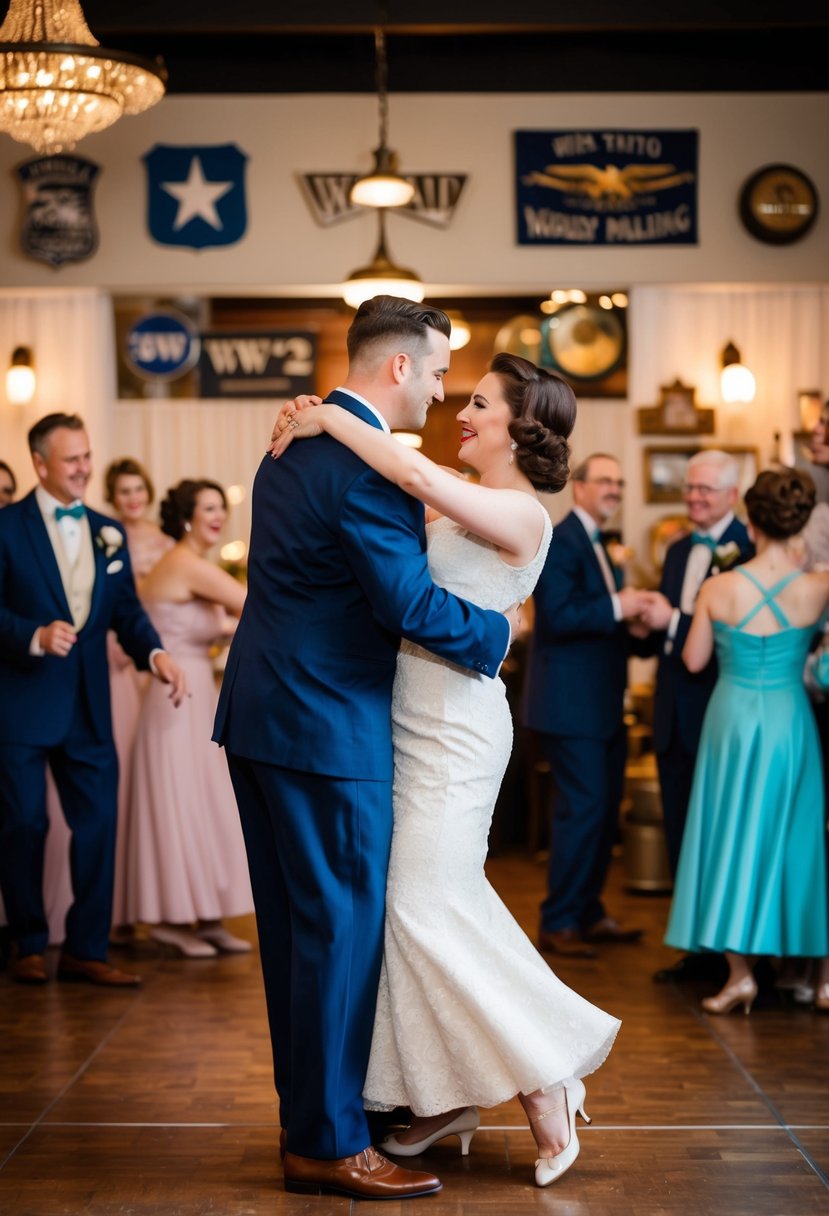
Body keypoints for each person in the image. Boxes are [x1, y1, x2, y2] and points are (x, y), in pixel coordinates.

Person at [271, 353, 620, 1190]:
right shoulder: (458, 513)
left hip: (458, 732)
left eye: (478, 403)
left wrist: (326, 417)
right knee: (415, 907)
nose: (459, 412)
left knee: (420, 901)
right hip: (403, 724)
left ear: (518, 426)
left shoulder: (521, 513)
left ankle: (544, 1079)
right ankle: (443, 1095)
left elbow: (405, 465)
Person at [213, 296, 516, 1202]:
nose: (438, 389)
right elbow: (407, 607)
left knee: (301, 939)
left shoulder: (299, 441)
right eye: (432, 371)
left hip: (266, 716)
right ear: (395, 368)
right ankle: (327, 1143)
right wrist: (499, 634)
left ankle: (316, 1119)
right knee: (339, 937)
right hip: (326, 729)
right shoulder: (366, 467)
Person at [0, 413, 186, 987]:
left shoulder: (109, 530)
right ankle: (29, 943)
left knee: (99, 824)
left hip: (89, 704)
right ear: (40, 464)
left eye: (86, 455)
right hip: (24, 703)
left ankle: (86, 948)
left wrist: (153, 655)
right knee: (25, 825)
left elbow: (125, 609)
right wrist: (31, 635)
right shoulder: (6, 527)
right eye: (71, 458)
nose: (84, 467)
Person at [664, 467, 829, 1013]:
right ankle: (823, 979)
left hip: (731, 718)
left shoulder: (718, 585)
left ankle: (739, 976)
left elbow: (693, 661)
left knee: (731, 834)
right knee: (797, 838)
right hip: (789, 719)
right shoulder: (820, 585)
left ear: (751, 521)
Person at [523, 453, 649, 958]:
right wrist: (622, 606)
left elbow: (603, 627)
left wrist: (635, 625)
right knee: (582, 810)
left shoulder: (601, 545)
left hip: (600, 706)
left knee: (601, 812)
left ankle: (589, 911)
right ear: (580, 487)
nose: (614, 490)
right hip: (568, 706)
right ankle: (558, 920)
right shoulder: (562, 540)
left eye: (620, 482)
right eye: (605, 481)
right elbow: (559, 616)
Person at [638, 450, 753, 983]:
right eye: (689, 488)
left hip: (719, 709)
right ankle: (698, 949)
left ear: (733, 495)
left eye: (705, 489)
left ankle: (732, 956)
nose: (693, 498)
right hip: (672, 711)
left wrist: (673, 620)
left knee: (722, 833)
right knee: (682, 831)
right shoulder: (679, 549)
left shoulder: (751, 552)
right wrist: (650, 625)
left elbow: (741, 634)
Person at [126, 479, 252, 958]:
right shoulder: (186, 564)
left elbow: (220, 623)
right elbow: (252, 604)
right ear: (186, 517)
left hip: (197, 692)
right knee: (181, 801)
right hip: (176, 697)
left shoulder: (187, 566)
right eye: (208, 508)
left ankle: (207, 915)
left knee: (204, 802)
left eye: (222, 507)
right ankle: (172, 920)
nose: (218, 516)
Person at [103, 458, 174, 940]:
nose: (131, 499)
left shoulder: (165, 543)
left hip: (154, 650)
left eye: (137, 490)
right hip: (113, 656)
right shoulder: (105, 536)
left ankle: (146, 899)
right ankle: (115, 908)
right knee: (116, 770)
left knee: (144, 774)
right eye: (122, 492)